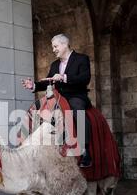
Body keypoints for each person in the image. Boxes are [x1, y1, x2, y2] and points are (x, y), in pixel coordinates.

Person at [22, 33, 93, 167]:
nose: (53, 49)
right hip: (57, 97)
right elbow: (48, 81)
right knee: (36, 108)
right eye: (53, 47)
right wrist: (34, 85)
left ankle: (85, 151)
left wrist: (64, 77)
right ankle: (34, 147)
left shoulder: (81, 59)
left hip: (76, 96)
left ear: (64, 44)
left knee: (78, 111)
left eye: (55, 46)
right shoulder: (55, 64)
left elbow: (85, 78)